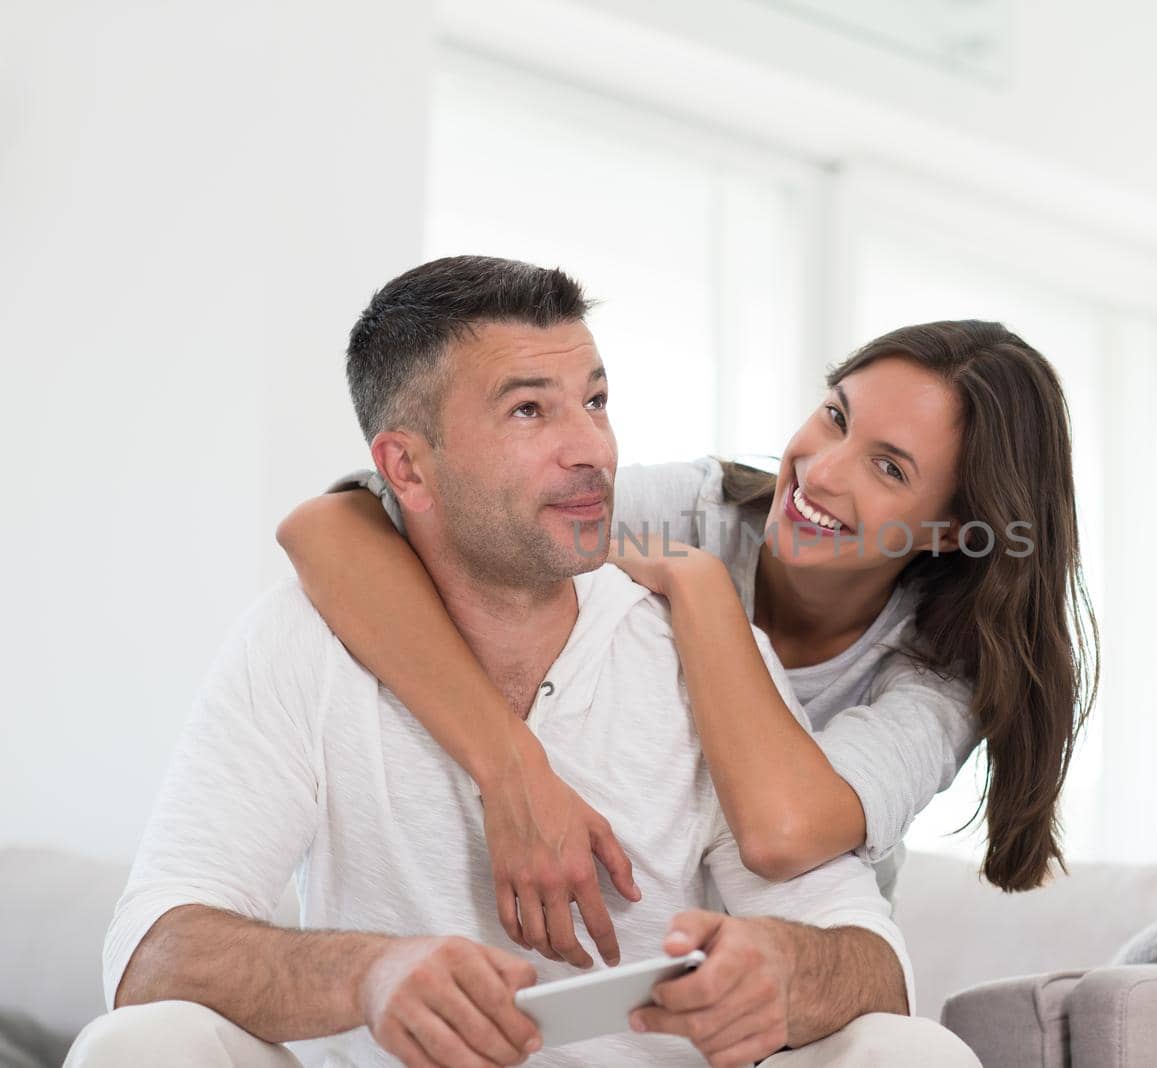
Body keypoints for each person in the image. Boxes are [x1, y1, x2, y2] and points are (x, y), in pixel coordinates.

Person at [68, 256, 978, 1068]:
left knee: (910, 1053)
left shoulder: (714, 654)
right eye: (530, 410)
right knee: (138, 1045)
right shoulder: (306, 638)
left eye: (596, 399)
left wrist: (780, 966)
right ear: (408, 470)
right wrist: (371, 975)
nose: (593, 448)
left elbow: (867, 954)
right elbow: (153, 955)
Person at [277, 291, 1100, 965]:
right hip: (635, 938)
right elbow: (330, 530)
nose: (823, 470)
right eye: (835, 417)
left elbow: (781, 834)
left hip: (791, 980)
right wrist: (510, 767)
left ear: (951, 530)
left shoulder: (936, 680)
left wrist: (701, 588)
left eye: (889, 468)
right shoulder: (696, 507)